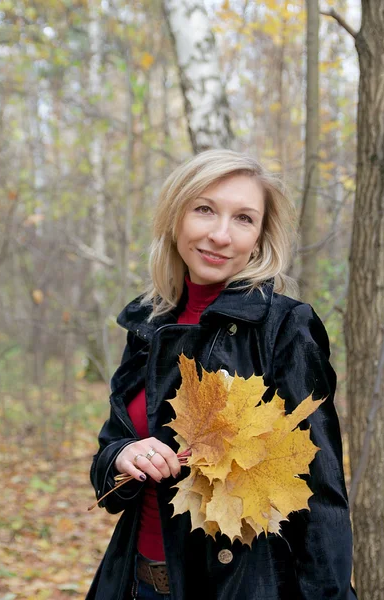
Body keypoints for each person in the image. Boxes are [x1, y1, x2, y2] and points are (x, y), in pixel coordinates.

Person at [85, 150, 356, 600]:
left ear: (259, 237)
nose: (220, 234)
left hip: (235, 586)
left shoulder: (284, 328)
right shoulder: (148, 323)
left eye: (244, 219)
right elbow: (109, 465)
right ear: (176, 217)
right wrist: (122, 455)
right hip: (136, 581)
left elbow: (320, 493)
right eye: (205, 209)